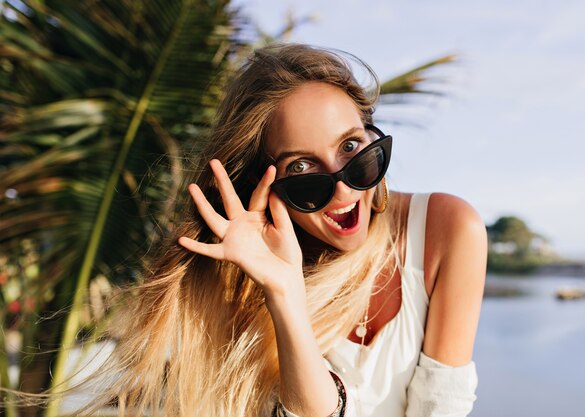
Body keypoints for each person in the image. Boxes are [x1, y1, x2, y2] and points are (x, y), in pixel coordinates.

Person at [86, 43, 487, 417]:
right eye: (301, 167)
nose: (343, 187)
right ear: (264, 181)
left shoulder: (445, 230)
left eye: (350, 147)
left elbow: (440, 405)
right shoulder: (242, 280)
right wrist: (283, 292)